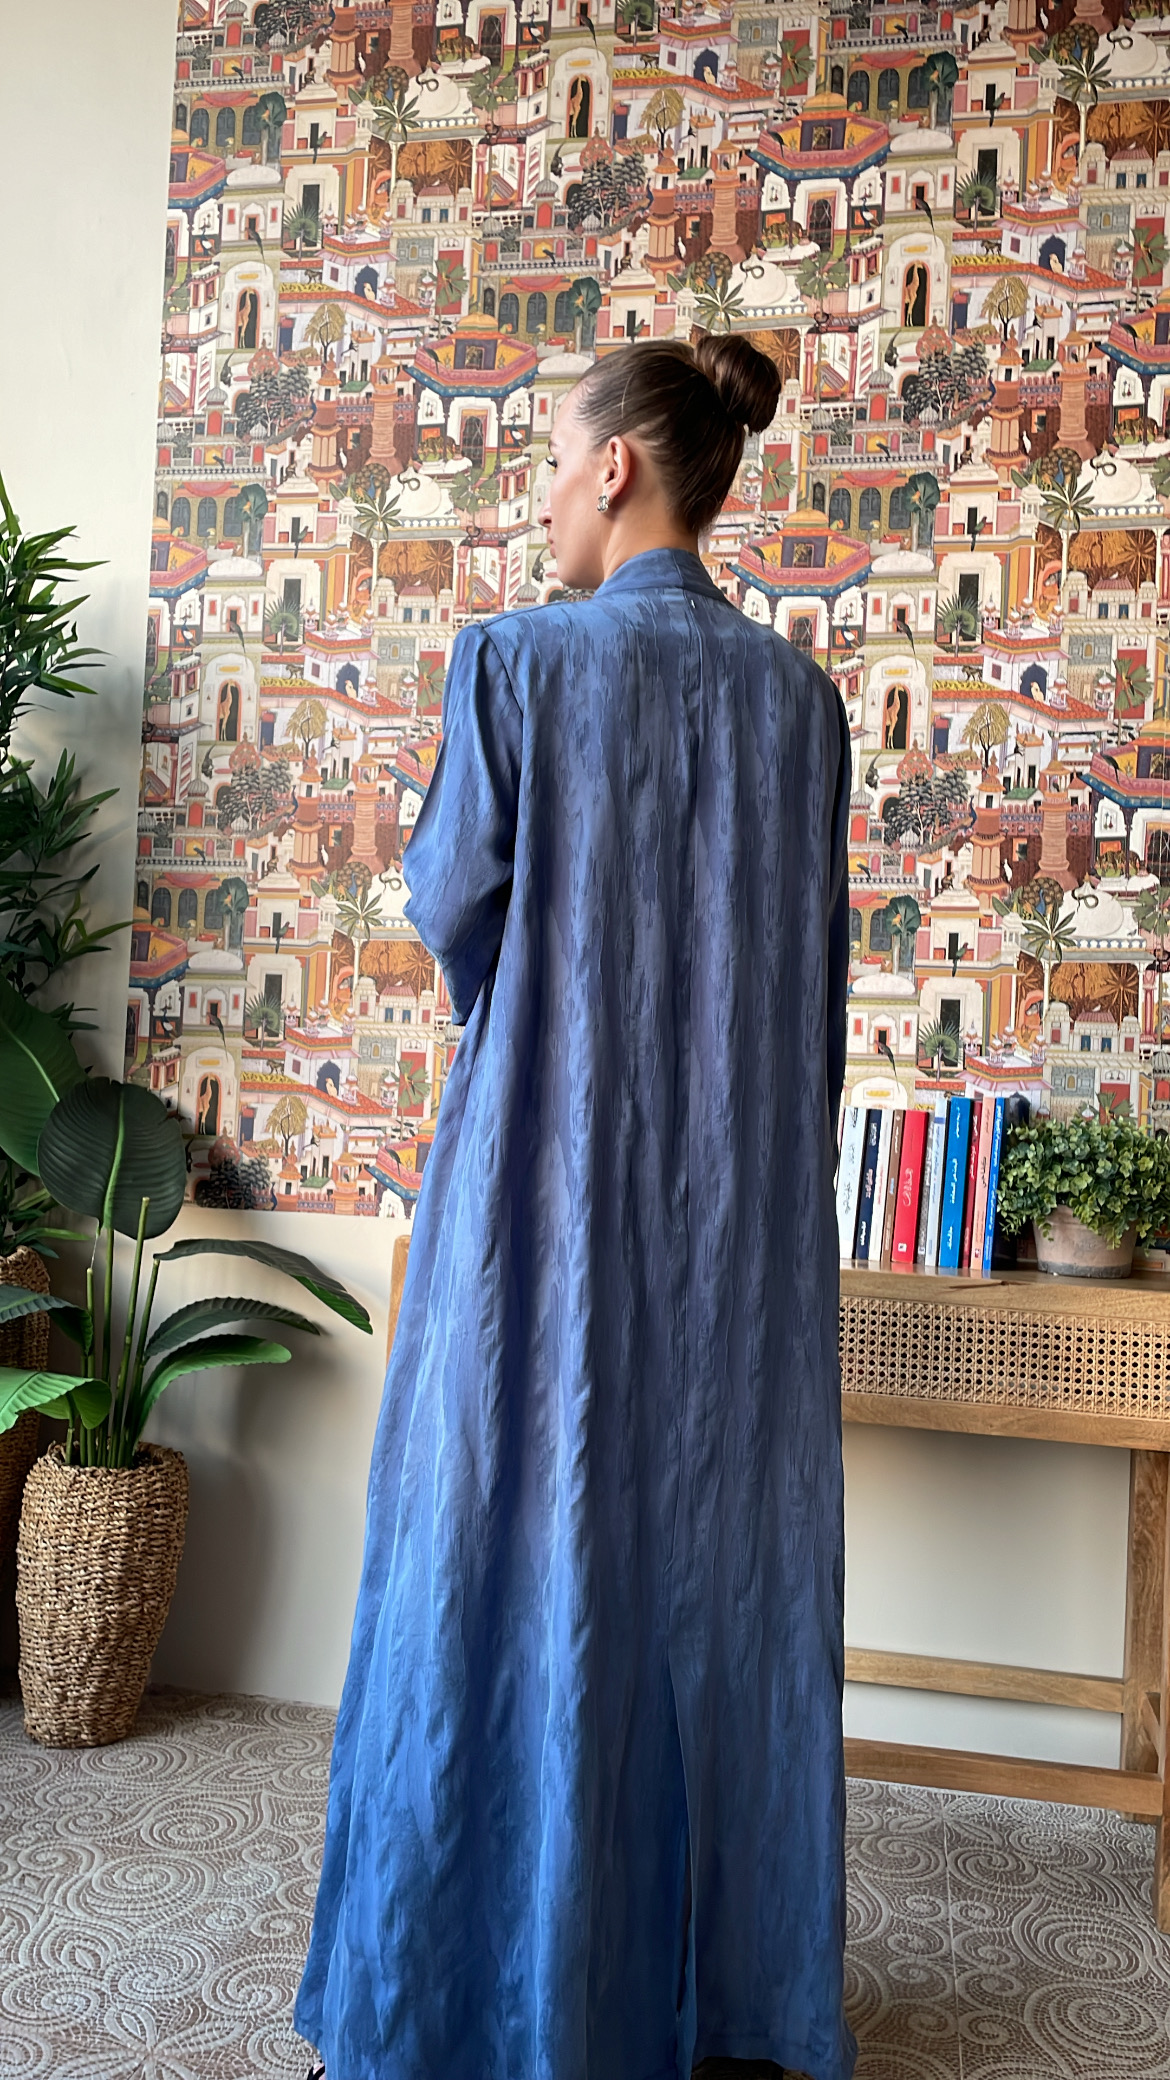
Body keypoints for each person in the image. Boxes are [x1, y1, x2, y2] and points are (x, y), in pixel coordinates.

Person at [296, 335, 855, 2080]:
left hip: (538, 1184)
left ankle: (484, 1990)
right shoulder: (803, 705)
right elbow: (810, 991)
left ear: (616, 465)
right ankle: (722, 1998)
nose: (540, 495)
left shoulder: (516, 663)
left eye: (551, 458)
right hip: (738, 1220)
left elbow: (453, 912)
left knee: (493, 1542)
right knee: (716, 1572)